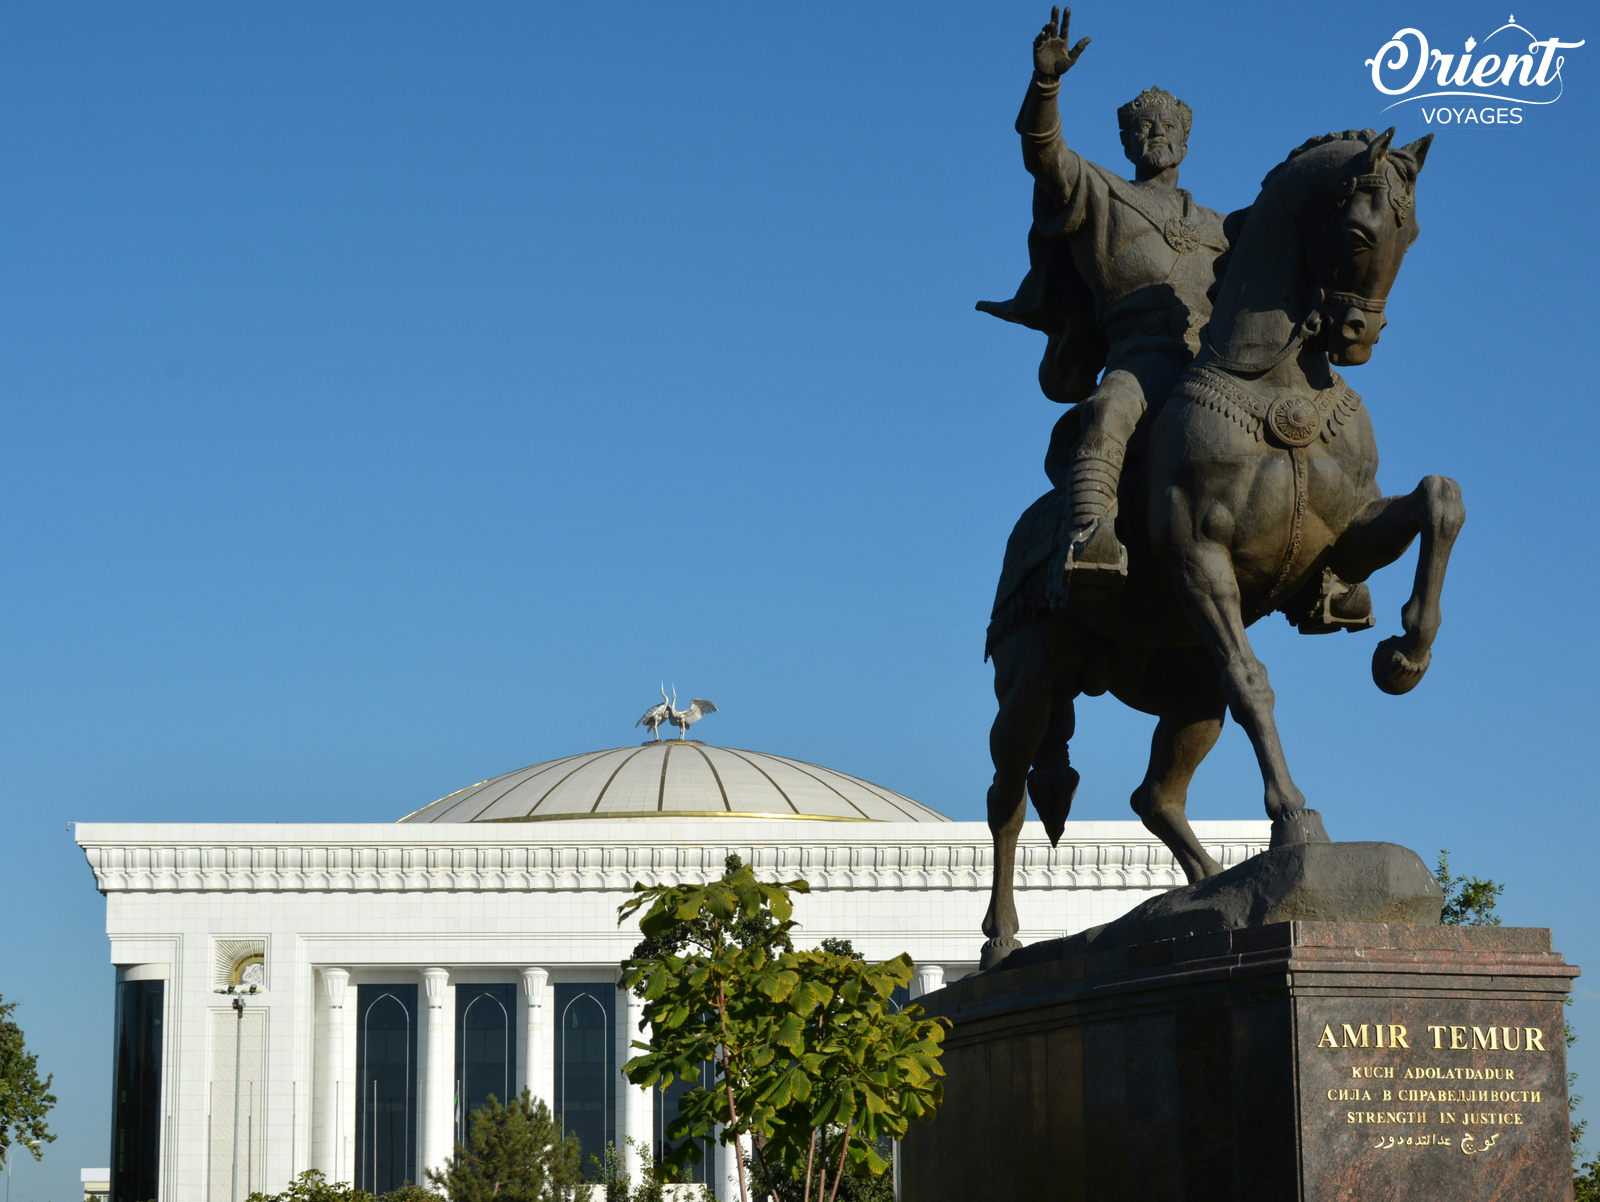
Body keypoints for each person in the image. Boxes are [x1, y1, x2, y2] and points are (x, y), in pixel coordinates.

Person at [979, 7, 1226, 597]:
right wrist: (1046, 85)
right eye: (1141, 129)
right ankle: (1090, 531)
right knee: (1109, 411)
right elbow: (1044, 154)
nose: (1154, 136)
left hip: (1216, 368)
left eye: (1167, 128)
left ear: (1186, 141)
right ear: (1125, 140)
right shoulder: (1102, 192)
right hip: (1141, 359)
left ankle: (1331, 564)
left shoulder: (1224, 229)